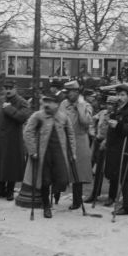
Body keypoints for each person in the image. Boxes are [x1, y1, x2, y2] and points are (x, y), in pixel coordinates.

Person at [22, 95, 77, 218]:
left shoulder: (63, 117)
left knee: (62, 179)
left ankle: (56, 194)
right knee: (45, 181)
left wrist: (73, 152)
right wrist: (32, 150)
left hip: (60, 153)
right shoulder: (38, 116)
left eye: (50, 102)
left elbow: (71, 134)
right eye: (45, 101)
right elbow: (28, 132)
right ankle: (46, 206)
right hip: (44, 154)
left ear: (57, 104)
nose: (46, 104)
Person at [102, 83, 128, 215]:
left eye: (122, 95)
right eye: (117, 94)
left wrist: (119, 126)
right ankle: (121, 202)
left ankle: (127, 207)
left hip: (127, 148)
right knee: (118, 175)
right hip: (116, 148)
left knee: (126, 178)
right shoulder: (118, 108)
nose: (119, 97)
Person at [0, 81, 31, 201]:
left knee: (11, 166)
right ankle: (0, 190)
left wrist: (9, 109)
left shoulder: (22, 102)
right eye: (6, 88)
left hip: (13, 140)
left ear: (15, 89)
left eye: (11, 88)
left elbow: (23, 117)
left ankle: (10, 191)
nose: (8, 90)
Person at [59, 80, 93, 209]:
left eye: (70, 92)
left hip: (80, 141)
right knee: (63, 169)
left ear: (77, 92)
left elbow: (85, 121)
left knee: (78, 173)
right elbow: (59, 119)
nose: (67, 95)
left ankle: (77, 201)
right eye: (66, 92)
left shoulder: (86, 105)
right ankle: (56, 195)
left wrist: (80, 105)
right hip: (66, 140)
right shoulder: (63, 104)